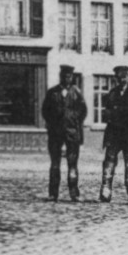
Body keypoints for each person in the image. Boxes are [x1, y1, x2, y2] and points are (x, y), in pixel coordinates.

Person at [99, 64, 128, 204]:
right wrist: (117, 112)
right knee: (108, 165)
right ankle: (105, 194)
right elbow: (106, 112)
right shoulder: (112, 93)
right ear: (116, 79)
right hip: (114, 134)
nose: (122, 80)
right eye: (120, 78)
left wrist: (116, 111)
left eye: (125, 77)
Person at [41, 64, 87, 201]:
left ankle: (74, 193)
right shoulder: (52, 92)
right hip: (55, 133)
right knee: (55, 164)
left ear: (72, 77)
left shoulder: (76, 93)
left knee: (72, 164)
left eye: (69, 76)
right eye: (64, 76)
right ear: (60, 76)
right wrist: (52, 122)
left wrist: (73, 119)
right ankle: (53, 193)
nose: (66, 79)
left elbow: (83, 111)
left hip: (72, 132)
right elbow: (45, 111)